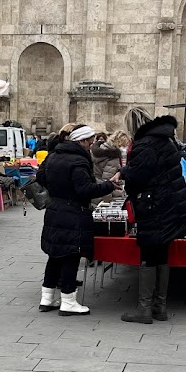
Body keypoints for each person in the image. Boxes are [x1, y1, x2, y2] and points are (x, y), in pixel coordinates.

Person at [120, 115, 186, 324]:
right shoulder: (166, 140)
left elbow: (138, 177)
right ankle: (159, 306)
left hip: (154, 205)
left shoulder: (144, 144)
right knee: (161, 252)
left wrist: (127, 177)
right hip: (170, 203)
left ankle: (144, 309)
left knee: (148, 253)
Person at [36, 124, 117, 316]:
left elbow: (40, 176)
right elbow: (84, 190)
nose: (90, 146)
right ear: (81, 141)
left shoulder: (54, 155)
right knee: (72, 254)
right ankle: (68, 301)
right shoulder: (78, 161)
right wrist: (109, 186)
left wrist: (58, 191)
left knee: (55, 255)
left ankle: (47, 298)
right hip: (73, 213)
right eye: (89, 142)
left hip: (54, 209)